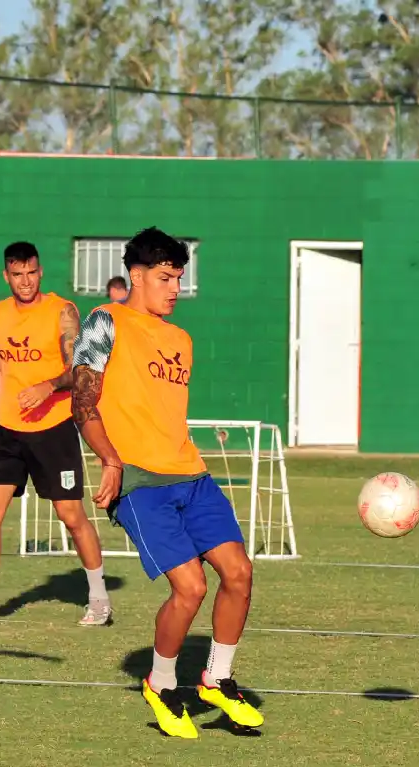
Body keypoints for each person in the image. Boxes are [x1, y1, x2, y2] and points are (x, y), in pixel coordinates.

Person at [70, 227, 261, 739]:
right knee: (191, 587)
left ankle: (218, 679)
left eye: (179, 277)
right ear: (137, 275)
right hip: (140, 482)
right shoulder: (104, 321)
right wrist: (109, 460)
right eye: (164, 277)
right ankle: (160, 682)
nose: (174, 287)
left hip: (191, 475)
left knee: (239, 573)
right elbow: (82, 404)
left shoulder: (181, 339)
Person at [0, 241, 112, 628]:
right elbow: (1, 371)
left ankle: (100, 600)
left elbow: (81, 368)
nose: (25, 281)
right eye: (17, 274)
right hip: (7, 426)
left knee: (70, 515)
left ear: (41, 272)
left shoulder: (63, 311)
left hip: (52, 427)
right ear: (6, 276)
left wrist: (48, 385)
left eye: (31, 273)